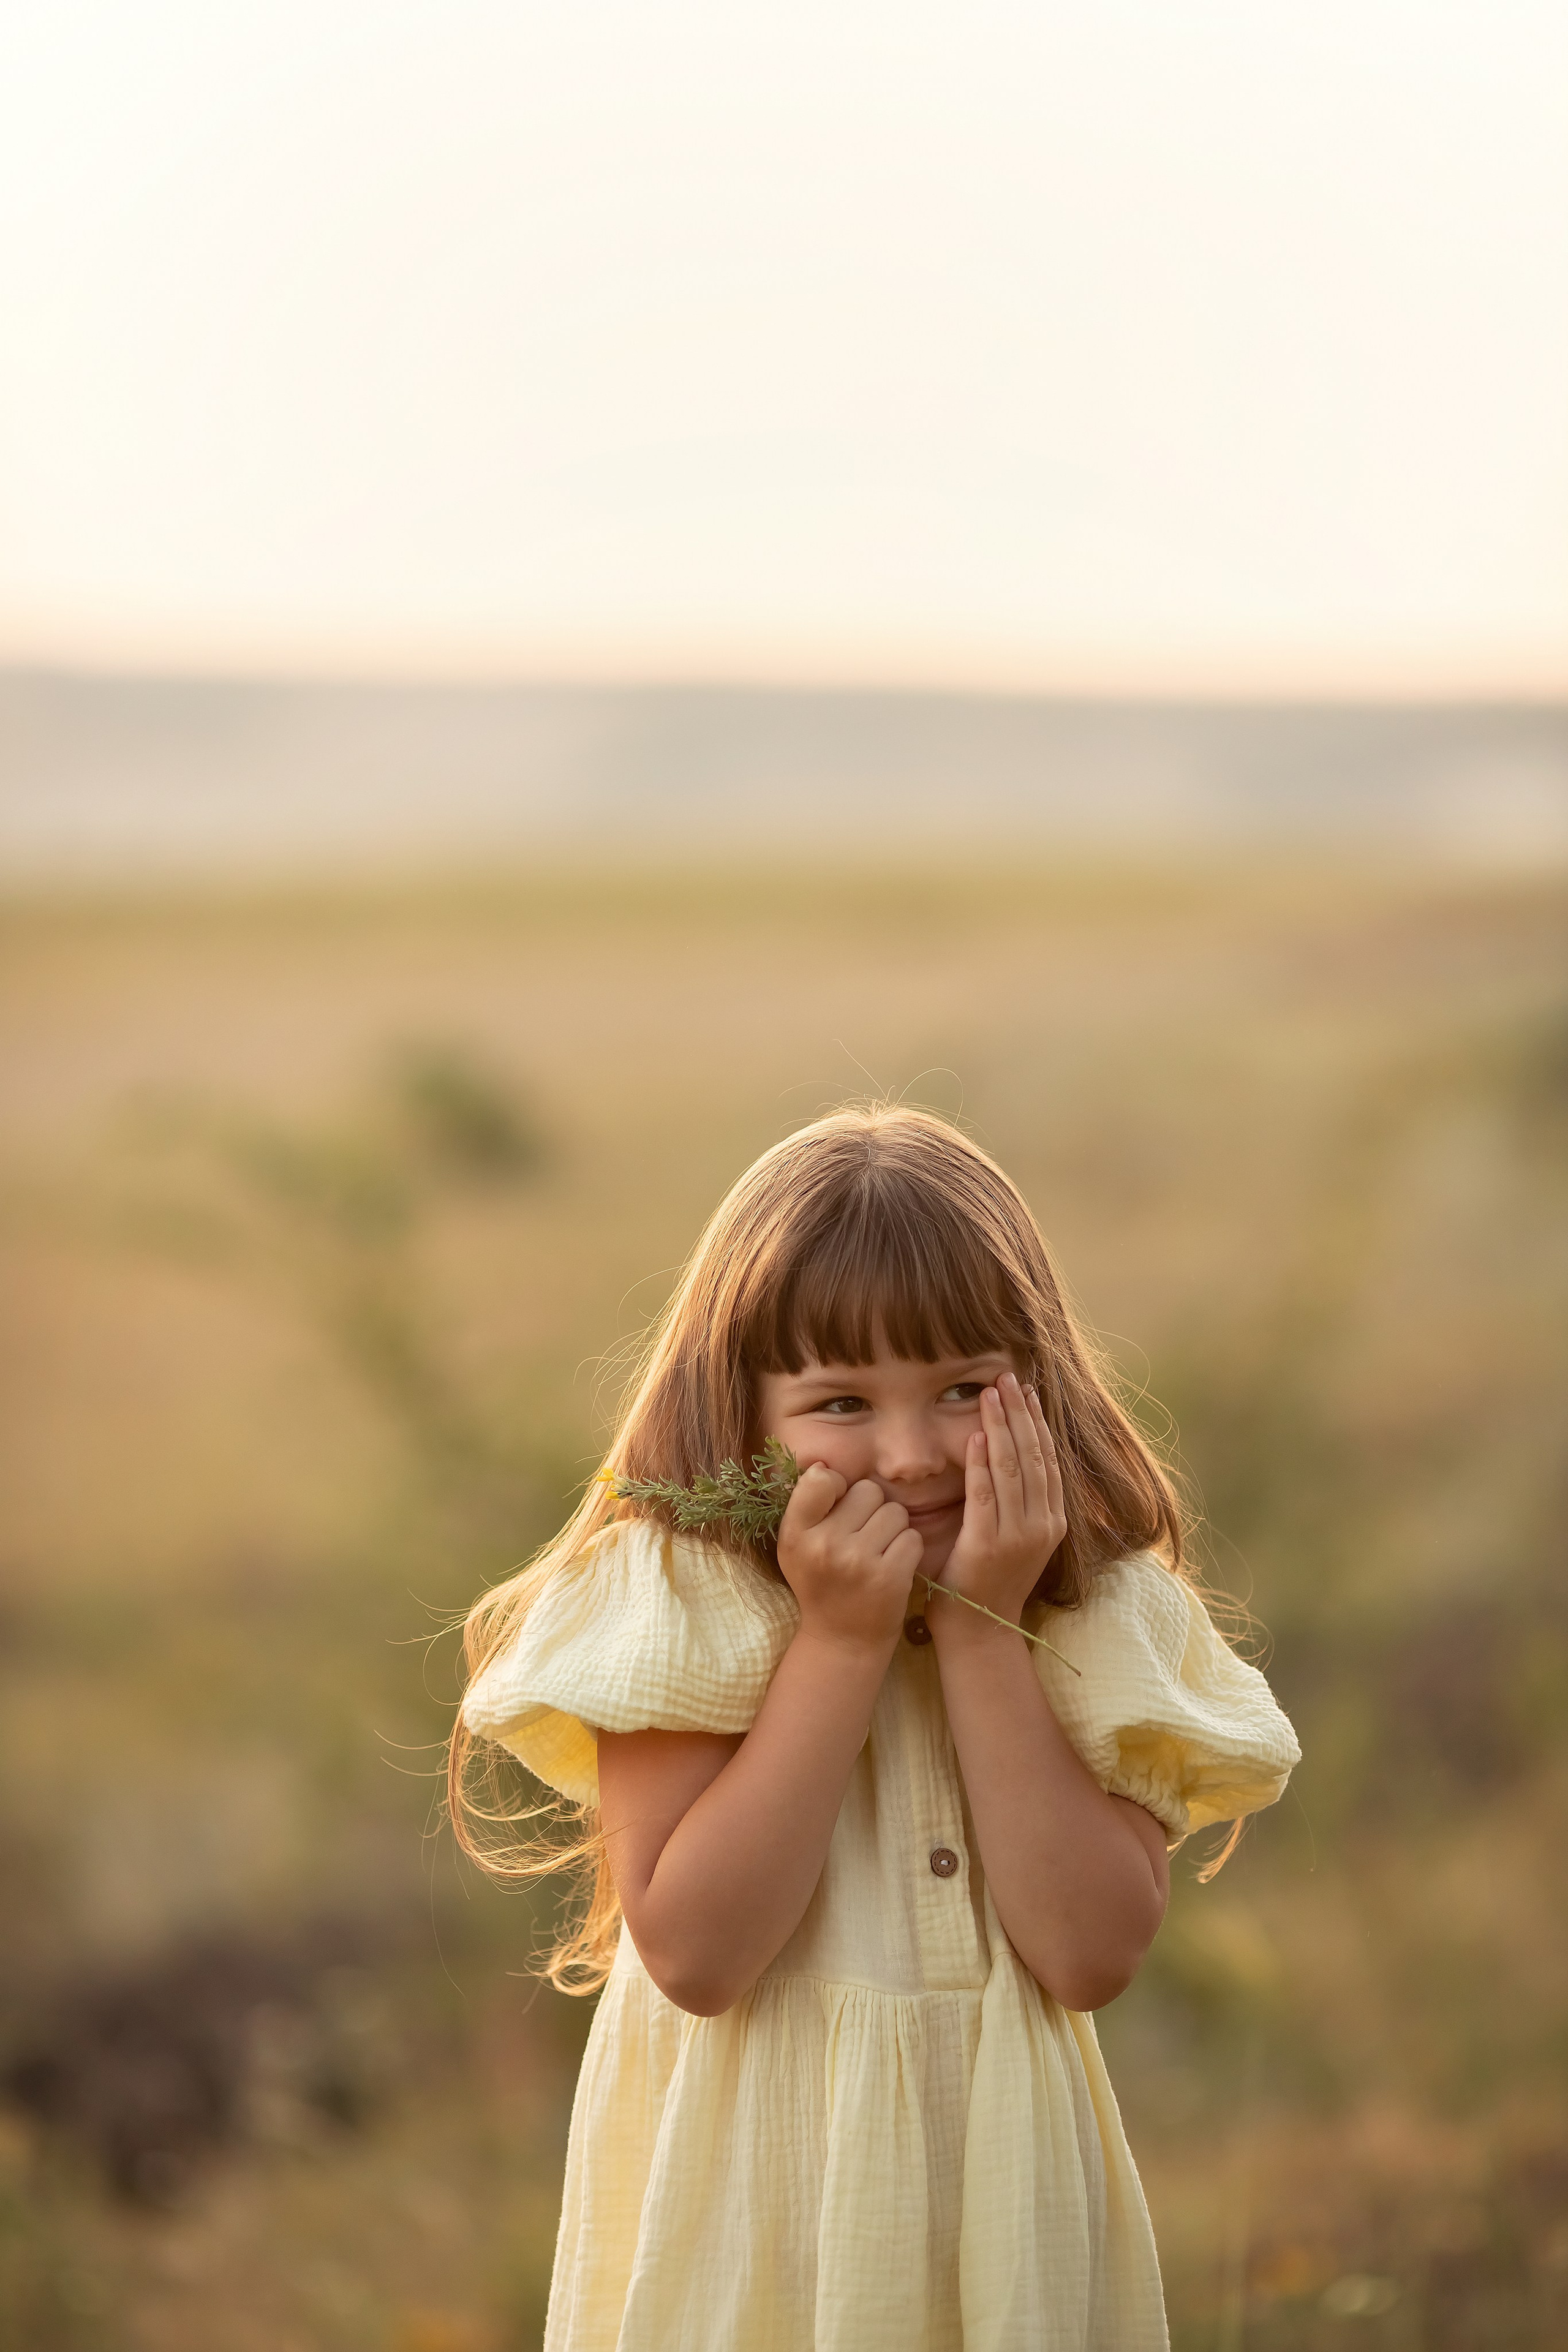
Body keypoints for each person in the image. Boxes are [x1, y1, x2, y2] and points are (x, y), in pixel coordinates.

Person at [450, 1105, 1300, 2351]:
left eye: (961, 1391)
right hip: (754, 2211)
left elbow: (1087, 1954)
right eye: (839, 1404)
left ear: (1038, 1382)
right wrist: (842, 1646)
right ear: (739, 1411)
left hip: (999, 2215)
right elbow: (694, 1954)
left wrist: (979, 1626)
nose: (910, 1456)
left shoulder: (1090, 1606)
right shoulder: (681, 1590)